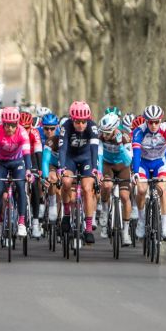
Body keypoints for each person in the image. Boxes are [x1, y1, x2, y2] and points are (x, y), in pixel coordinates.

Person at [132, 104, 166, 242]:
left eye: (156, 122)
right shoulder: (139, 132)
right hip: (143, 164)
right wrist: (135, 172)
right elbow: (136, 153)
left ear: (160, 120)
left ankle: (164, 227)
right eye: (150, 122)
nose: (153, 125)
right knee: (141, 189)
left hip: (159, 163)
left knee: (162, 189)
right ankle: (141, 220)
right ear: (146, 121)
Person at [57, 101, 100, 245]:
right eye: (77, 122)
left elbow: (94, 149)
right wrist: (62, 167)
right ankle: (67, 214)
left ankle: (88, 229)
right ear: (72, 119)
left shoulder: (92, 127)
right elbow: (62, 149)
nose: (81, 125)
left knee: (88, 189)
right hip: (70, 158)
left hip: (87, 158)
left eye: (83, 122)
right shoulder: (66, 127)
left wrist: (95, 168)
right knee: (66, 182)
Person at [0, 107, 33, 240]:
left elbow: (26, 153)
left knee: (20, 186)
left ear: (17, 123)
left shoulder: (22, 132)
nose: (10, 128)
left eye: (13, 125)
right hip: (0, 163)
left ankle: (22, 222)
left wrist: (28, 170)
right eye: (7, 125)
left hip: (17, 162)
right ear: (3, 123)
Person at [97, 112, 134, 245]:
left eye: (108, 133)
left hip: (122, 166)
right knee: (106, 186)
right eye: (103, 132)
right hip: (107, 164)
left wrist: (120, 146)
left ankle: (125, 232)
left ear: (115, 129)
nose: (105, 135)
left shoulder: (125, 137)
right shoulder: (101, 136)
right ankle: (105, 211)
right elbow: (99, 156)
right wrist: (100, 174)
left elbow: (128, 160)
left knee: (125, 196)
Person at [20, 111, 44, 237]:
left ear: (31, 126)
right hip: (18, 157)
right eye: (22, 127)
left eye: (27, 128)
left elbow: (38, 151)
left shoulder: (35, 132)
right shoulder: (15, 132)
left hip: (32, 156)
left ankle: (35, 222)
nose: (24, 130)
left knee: (35, 185)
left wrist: (39, 170)